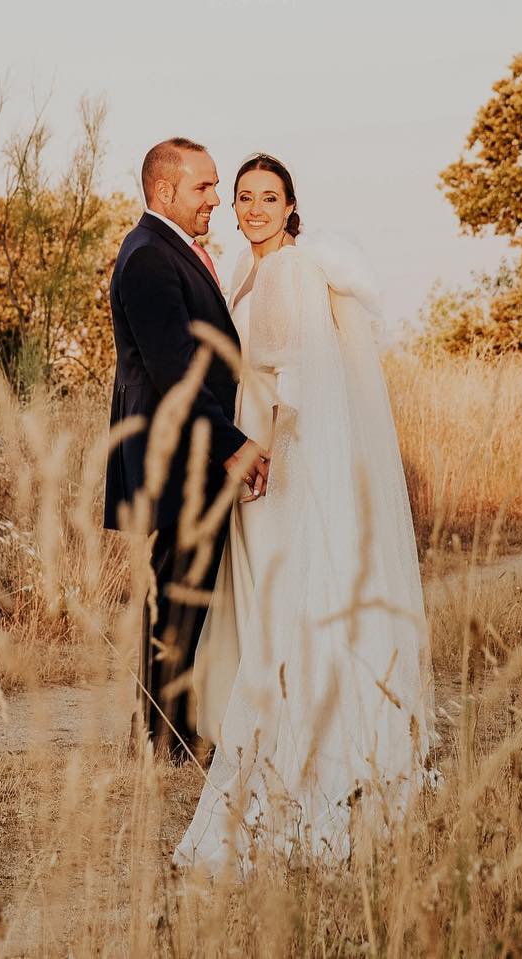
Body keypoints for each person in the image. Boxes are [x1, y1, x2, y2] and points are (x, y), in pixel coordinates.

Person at [174, 153, 435, 873]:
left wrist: (256, 457)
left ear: (292, 208)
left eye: (270, 198)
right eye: (245, 197)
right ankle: (303, 746)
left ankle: (310, 759)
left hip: (276, 467)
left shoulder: (288, 270)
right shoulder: (245, 270)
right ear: (233, 206)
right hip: (259, 460)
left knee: (286, 611)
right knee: (276, 611)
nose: (255, 208)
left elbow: (295, 390)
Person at [104, 137, 270, 765]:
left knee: (180, 592)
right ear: (165, 190)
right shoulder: (148, 257)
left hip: (188, 449)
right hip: (178, 454)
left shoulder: (169, 250)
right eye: (204, 187)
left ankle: (164, 732)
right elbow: (178, 370)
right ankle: (161, 740)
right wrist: (232, 446)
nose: (215, 201)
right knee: (177, 595)